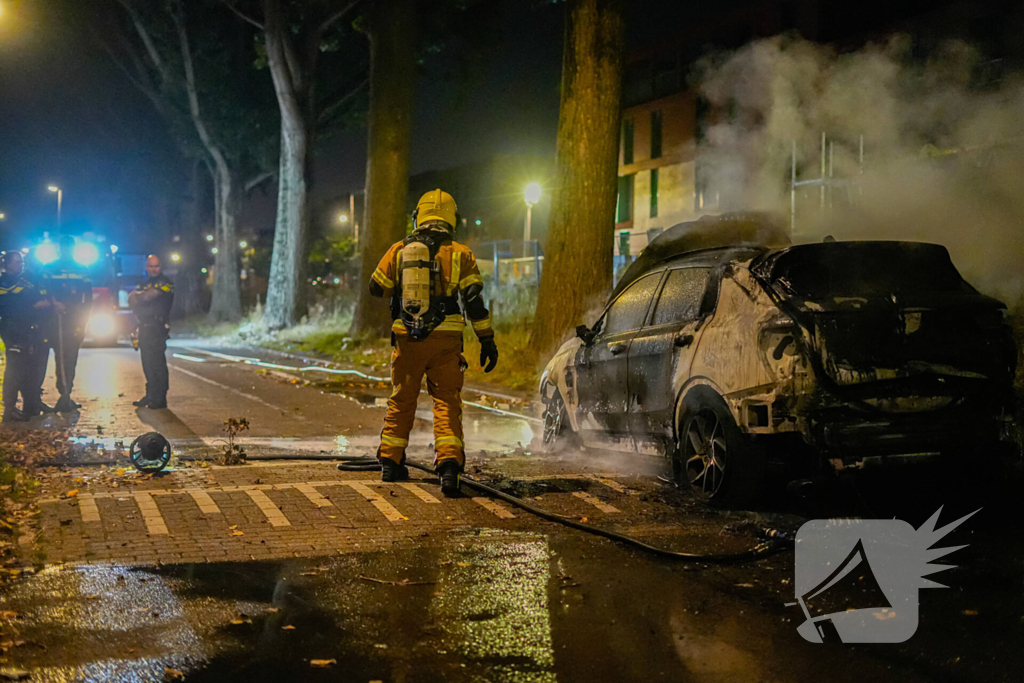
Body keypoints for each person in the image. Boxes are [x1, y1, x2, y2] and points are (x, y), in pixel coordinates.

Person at [367, 189, 499, 496]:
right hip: (447, 340)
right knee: (446, 402)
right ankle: (449, 467)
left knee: (402, 398)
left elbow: (376, 288)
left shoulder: (399, 249)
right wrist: (487, 340)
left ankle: (390, 461)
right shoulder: (461, 254)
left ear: (418, 217)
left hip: (407, 339)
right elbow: (474, 302)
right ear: (452, 219)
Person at [0, 251, 55, 422]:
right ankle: (9, 409)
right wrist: (37, 305)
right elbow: (15, 304)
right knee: (14, 370)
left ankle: (31, 404)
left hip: (26, 330)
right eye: (17, 262)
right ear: (7, 264)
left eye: (22, 262)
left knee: (28, 369)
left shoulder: (24, 281)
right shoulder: (5, 282)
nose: (21, 265)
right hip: (12, 329)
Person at [41, 236, 92, 413]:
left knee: (70, 360)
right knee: (60, 359)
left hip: (74, 322)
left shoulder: (82, 270)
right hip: (56, 322)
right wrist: (53, 306)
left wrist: (82, 322)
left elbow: (87, 300)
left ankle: (66, 393)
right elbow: (43, 292)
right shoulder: (49, 269)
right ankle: (62, 392)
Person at [129, 255, 174, 409]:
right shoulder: (145, 282)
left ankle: (160, 398)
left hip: (157, 326)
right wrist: (141, 298)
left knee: (158, 364)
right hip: (144, 326)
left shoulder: (166, 282)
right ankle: (150, 395)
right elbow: (132, 300)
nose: (153, 269)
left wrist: (139, 297)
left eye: (156, 266)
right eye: (150, 266)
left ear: (161, 267)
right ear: (146, 267)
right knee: (147, 363)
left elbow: (147, 296)